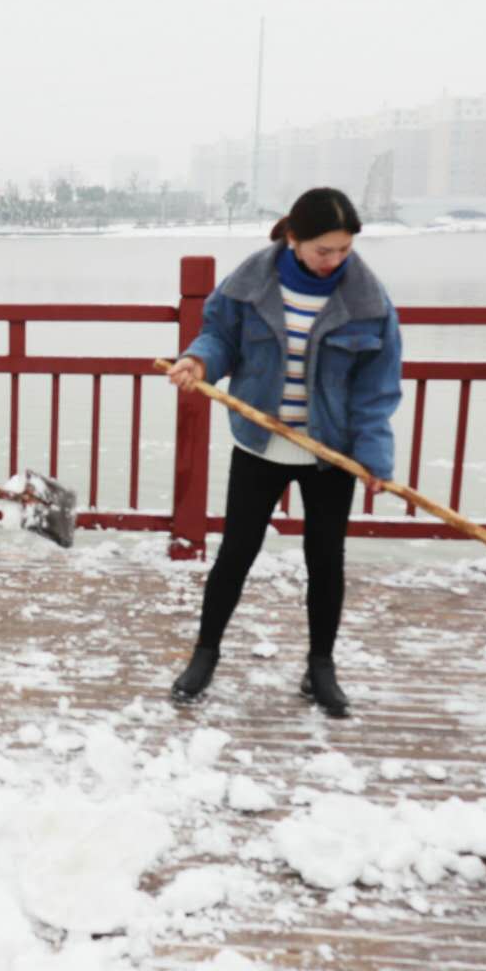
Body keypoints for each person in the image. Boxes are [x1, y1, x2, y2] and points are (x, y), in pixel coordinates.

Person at [166, 187, 402, 718]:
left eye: (344, 249)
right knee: (236, 553)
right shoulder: (250, 284)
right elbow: (219, 337)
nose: (334, 260)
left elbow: (376, 389)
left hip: (330, 453)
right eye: (323, 250)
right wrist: (199, 362)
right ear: (293, 237)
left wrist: (373, 456)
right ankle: (205, 654)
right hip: (260, 443)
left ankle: (320, 667)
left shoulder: (368, 302)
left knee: (326, 561)